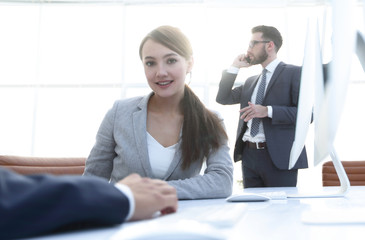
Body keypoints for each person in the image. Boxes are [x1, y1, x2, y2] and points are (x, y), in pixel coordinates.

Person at [83, 25, 233, 199]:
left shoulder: (209, 120)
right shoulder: (119, 113)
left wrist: (154, 191)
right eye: (150, 63)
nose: (160, 72)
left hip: (181, 221)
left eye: (171, 61)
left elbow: (222, 181)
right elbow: (92, 180)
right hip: (123, 221)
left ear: (189, 63)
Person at [216, 25, 308, 188]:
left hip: (279, 157)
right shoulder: (251, 81)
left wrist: (268, 111)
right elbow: (223, 98)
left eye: (252, 44)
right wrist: (234, 67)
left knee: (281, 210)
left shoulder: (295, 73)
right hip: (249, 155)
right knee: (253, 209)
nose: (248, 49)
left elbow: (307, 115)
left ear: (269, 45)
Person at [0, 167, 177, 239]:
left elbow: (207, 181)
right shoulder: (120, 111)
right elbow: (95, 170)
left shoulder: (204, 118)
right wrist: (119, 194)